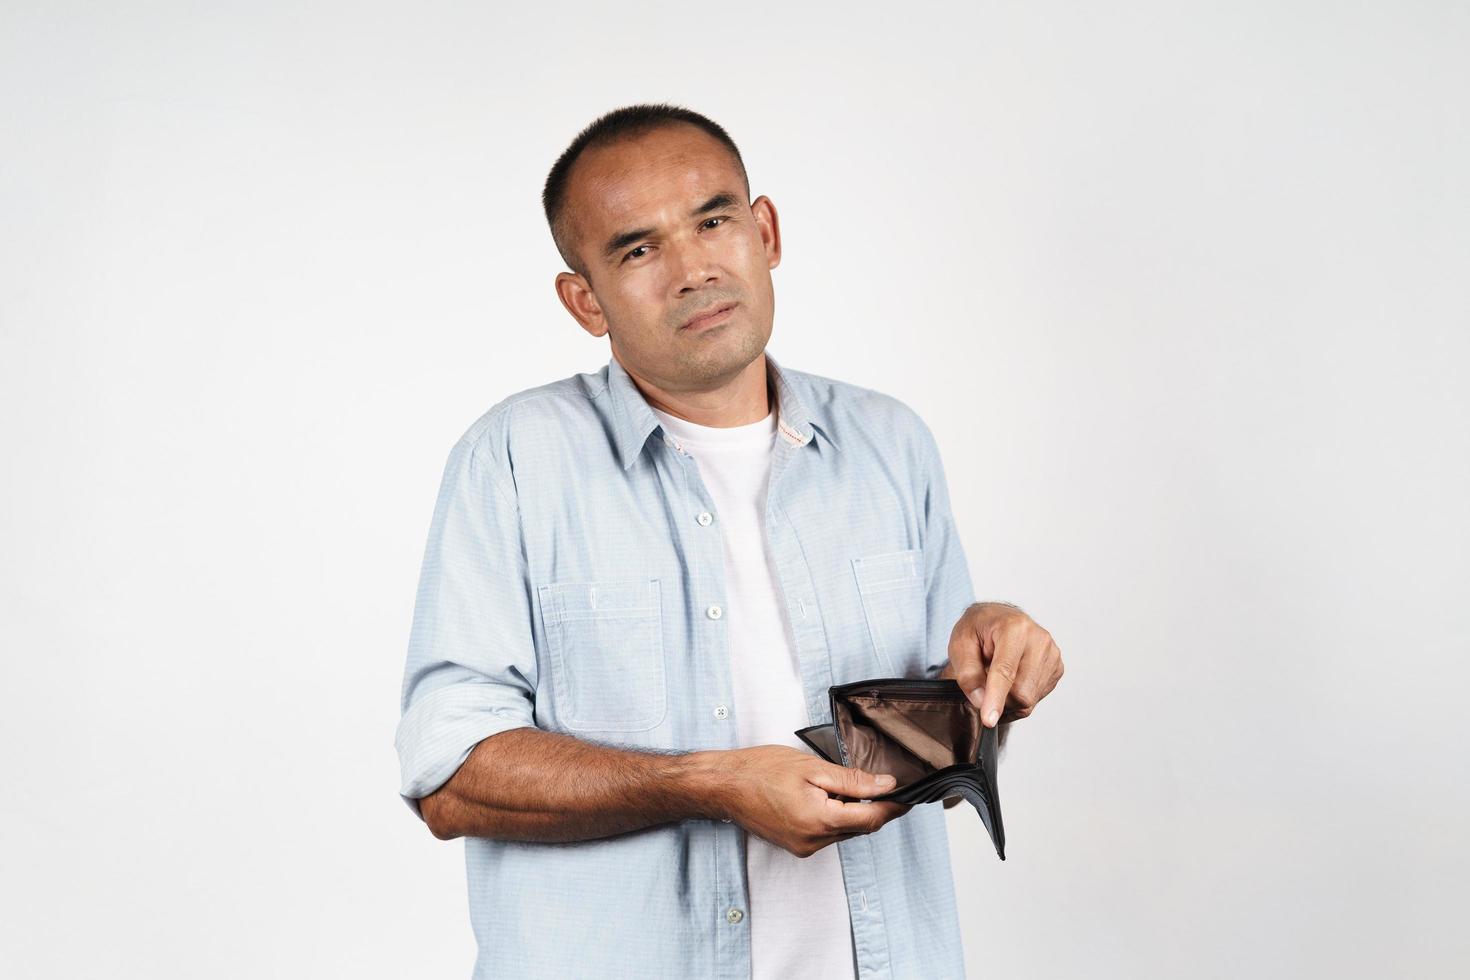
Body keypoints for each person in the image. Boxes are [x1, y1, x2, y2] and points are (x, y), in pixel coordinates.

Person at [394, 102, 1065, 980]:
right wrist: (703, 785)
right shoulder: (514, 461)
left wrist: (999, 665)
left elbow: (942, 742)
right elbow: (450, 777)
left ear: (766, 231)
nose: (692, 269)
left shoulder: (891, 445)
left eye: (712, 221)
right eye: (638, 249)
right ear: (584, 300)